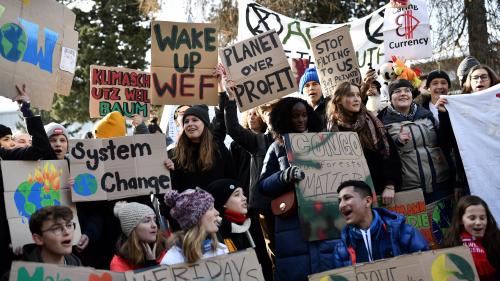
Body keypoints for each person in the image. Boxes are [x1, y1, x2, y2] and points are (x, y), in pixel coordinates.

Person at [259, 97, 334, 281]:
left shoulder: (326, 142)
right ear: (285, 118)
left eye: (304, 115)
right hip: (293, 224)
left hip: (326, 217)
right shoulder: (277, 147)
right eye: (295, 116)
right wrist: (283, 176)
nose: (301, 120)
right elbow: (263, 186)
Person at [0, 85, 54, 276]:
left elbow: (40, 149)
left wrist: (27, 111)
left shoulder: (7, 156)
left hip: (12, 243)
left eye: (9, 139)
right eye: (6, 139)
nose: (12, 143)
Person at [223, 86, 276, 280]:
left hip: (293, 207)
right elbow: (232, 129)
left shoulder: (293, 137)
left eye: (272, 112)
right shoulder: (257, 142)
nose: (267, 116)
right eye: (265, 112)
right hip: (263, 209)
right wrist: (229, 99)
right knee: (269, 253)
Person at [325, 82, 402, 204]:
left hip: (380, 191)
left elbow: (390, 155)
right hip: (351, 197)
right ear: (339, 100)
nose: (356, 99)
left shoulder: (372, 122)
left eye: (358, 95)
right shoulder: (331, 129)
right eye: (350, 95)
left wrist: (390, 185)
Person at [378, 79, 450, 203]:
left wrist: (443, 116)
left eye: (407, 90)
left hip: (440, 183)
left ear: (412, 95)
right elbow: (383, 156)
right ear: (390, 97)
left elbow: (445, 142)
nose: (403, 94)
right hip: (409, 189)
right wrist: (398, 142)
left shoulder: (427, 115)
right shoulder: (381, 122)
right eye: (397, 91)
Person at [332, 180, 429, 267]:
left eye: (347, 198)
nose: (341, 205)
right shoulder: (341, 249)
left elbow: (426, 264)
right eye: (339, 201)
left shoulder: (404, 233)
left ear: (368, 201)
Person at [161, 189, 228, 265]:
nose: (217, 213)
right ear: (195, 219)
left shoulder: (222, 250)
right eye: (211, 208)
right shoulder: (171, 261)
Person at [444, 195, 499, 280]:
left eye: (482, 218)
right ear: (460, 220)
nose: (478, 222)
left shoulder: (496, 240)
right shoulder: (453, 243)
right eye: (472, 218)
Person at [110, 202, 167, 271]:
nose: (154, 225)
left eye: (154, 220)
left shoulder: (165, 250)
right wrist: (150, 265)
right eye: (147, 221)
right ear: (132, 229)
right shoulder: (118, 263)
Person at [204, 179, 255, 252]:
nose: (244, 198)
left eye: (243, 194)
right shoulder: (214, 231)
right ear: (223, 202)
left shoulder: (250, 222)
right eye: (237, 195)